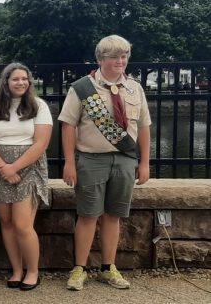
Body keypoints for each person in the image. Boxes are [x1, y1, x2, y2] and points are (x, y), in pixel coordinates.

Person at [58, 35, 151, 291]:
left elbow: (143, 128)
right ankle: (80, 268)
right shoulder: (82, 88)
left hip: (124, 161)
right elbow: (68, 126)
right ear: (100, 59)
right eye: (113, 57)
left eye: (123, 56)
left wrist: (144, 163)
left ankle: (108, 268)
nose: (120, 61)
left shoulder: (135, 88)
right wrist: (69, 163)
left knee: (114, 216)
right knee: (87, 215)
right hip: (90, 159)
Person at [0, 63, 52, 291]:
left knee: (23, 224)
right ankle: (16, 270)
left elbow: (41, 143)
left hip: (28, 167)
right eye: (15, 79)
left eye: (24, 79)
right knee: (7, 222)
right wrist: (3, 167)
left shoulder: (38, 106)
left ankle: (33, 272)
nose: (21, 83)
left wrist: (14, 168)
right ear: (6, 82)